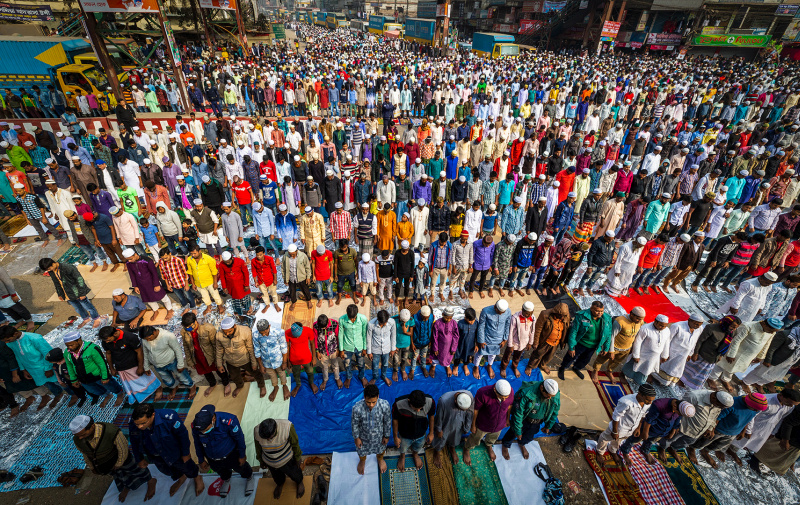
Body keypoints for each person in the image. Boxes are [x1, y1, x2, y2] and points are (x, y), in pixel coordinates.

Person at [70, 414, 156, 502]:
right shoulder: (78, 439)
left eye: (83, 434)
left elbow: (123, 448)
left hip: (122, 459)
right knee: (120, 475)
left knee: (136, 469)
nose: (80, 437)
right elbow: (85, 454)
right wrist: (92, 467)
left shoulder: (111, 431)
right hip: (108, 464)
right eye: (78, 436)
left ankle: (150, 480)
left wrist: (119, 463)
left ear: (92, 427)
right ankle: (128, 486)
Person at [129, 404, 205, 497]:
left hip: (174, 453)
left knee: (187, 467)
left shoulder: (169, 418)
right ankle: (182, 477)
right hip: (155, 456)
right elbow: (134, 441)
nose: (139, 426)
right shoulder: (133, 423)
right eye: (137, 424)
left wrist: (186, 453)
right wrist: (139, 458)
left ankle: (197, 477)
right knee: (168, 471)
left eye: (143, 423)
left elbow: (183, 435)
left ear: (152, 415)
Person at [690, 392, 768, 468]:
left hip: (733, 433)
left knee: (718, 445)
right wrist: (711, 429)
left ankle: (705, 451)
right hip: (719, 429)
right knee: (704, 441)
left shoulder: (754, 409)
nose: (756, 411)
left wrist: (743, 431)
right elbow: (718, 416)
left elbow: (748, 418)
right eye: (755, 409)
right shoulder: (733, 403)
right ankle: (691, 448)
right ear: (749, 404)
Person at [191, 405, 255, 498]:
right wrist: (201, 459)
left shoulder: (229, 421)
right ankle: (226, 479)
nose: (203, 432)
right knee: (221, 471)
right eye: (201, 431)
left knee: (241, 468)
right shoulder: (197, 426)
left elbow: (239, 438)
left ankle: (249, 477)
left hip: (231, 454)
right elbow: (197, 443)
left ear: (213, 419)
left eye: (206, 430)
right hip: (212, 457)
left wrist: (242, 455)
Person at [707, 318, 784, 393]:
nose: (772, 333)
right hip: (735, 352)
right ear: (764, 324)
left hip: (748, 356)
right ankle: (711, 378)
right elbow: (736, 340)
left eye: (774, 331)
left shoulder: (771, 332)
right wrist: (731, 354)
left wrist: (760, 356)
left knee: (733, 368)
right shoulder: (748, 326)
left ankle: (725, 380)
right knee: (722, 365)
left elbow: (767, 344)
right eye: (771, 330)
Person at [662, 390, 734, 465]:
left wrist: (711, 428)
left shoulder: (718, 403)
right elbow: (678, 409)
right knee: (670, 438)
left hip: (696, 432)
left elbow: (714, 416)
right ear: (713, 398)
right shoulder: (694, 396)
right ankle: (662, 448)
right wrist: (675, 426)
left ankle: (672, 449)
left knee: (687, 442)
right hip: (683, 426)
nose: (720, 408)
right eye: (719, 406)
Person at [594, 383, 656, 468]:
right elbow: (616, 416)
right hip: (618, 428)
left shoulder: (647, 403)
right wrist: (614, 431)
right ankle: (599, 452)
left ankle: (612, 450)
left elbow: (643, 415)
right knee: (605, 438)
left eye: (651, 400)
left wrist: (638, 428)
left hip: (629, 430)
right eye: (648, 400)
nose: (650, 402)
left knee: (618, 440)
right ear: (640, 394)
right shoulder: (626, 402)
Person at [619, 398, 696, 465]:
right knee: (634, 440)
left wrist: (672, 432)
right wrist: (645, 432)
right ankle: (625, 451)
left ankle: (645, 450)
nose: (678, 414)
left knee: (651, 441)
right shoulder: (659, 404)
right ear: (675, 406)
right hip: (651, 429)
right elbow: (649, 419)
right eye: (678, 413)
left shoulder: (680, 409)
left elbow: (677, 420)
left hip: (661, 432)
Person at [98, 325, 161, 404]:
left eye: (108, 339)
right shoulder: (105, 341)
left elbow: (139, 351)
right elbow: (108, 353)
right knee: (132, 385)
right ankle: (140, 396)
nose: (106, 342)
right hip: (120, 367)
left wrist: (141, 367)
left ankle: (159, 389)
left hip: (134, 365)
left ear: (115, 334)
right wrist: (112, 368)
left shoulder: (130, 337)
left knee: (148, 379)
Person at [501, 379, 561, 460]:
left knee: (529, 436)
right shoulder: (527, 393)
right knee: (513, 433)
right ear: (541, 388)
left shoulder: (555, 394)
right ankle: (505, 445)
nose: (549, 398)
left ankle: (522, 444)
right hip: (524, 419)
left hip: (537, 422)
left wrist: (548, 426)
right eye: (547, 395)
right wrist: (518, 430)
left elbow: (554, 411)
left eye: (552, 396)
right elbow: (518, 413)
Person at [63, 332, 124, 408]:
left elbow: (102, 363)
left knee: (111, 386)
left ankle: (120, 394)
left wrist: (105, 377)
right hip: (83, 379)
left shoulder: (92, 348)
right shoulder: (67, 353)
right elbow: (69, 366)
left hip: (98, 376)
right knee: (94, 390)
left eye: (71, 345)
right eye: (67, 346)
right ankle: (107, 395)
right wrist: (73, 379)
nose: (69, 347)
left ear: (79, 340)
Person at [38, 258, 102, 328]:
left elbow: (79, 279)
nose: (49, 270)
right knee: (78, 308)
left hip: (77, 291)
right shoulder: (51, 271)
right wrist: (60, 294)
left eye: (49, 268)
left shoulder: (67, 267)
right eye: (47, 270)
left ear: (53, 264)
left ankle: (96, 319)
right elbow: (56, 283)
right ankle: (86, 319)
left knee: (87, 306)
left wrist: (82, 293)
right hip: (68, 294)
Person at [558, 301, 613, 381]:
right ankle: (563, 368)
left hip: (593, 346)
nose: (600, 313)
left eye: (601, 311)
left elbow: (608, 333)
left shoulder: (607, 318)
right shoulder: (582, 316)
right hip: (580, 343)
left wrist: (606, 348)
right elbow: (573, 332)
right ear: (591, 308)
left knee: (585, 359)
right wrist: (571, 347)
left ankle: (576, 368)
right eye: (597, 311)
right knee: (571, 357)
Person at [181, 312, 231, 397]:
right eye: (186, 327)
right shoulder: (184, 332)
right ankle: (212, 384)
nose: (189, 329)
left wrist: (220, 360)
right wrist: (190, 361)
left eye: (190, 327)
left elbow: (216, 345)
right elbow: (186, 347)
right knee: (206, 372)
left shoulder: (208, 328)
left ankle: (226, 383)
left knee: (220, 369)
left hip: (211, 355)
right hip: (198, 357)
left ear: (195, 322)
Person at [589, 307, 645, 384]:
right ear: (632, 314)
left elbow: (636, 335)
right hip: (614, 347)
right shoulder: (620, 321)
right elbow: (611, 336)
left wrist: (632, 347)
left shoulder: (640, 322)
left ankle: (609, 371)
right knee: (601, 360)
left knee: (616, 362)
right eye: (638, 318)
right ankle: (595, 371)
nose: (640, 321)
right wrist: (611, 351)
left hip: (626, 349)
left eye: (641, 319)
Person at [463, 380, 514, 464]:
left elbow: (509, 406)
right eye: (502, 397)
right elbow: (476, 410)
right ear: (495, 390)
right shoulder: (483, 393)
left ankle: (489, 445)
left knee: (493, 438)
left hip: (499, 424)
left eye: (506, 397)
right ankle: (467, 449)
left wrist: (507, 419)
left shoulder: (510, 391)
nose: (504, 399)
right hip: (483, 424)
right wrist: (473, 425)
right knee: (475, 438)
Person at [140, 325, 195, 401]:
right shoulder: (145, 339)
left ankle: (192, 386)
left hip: (172, 362)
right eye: (146, 339)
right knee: (168, 381)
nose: (148, 341)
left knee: (183, 377)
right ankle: (174, 387)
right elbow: (145, 353)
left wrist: (180, 365)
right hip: (158, 366)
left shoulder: (168, 336)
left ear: (154, 332)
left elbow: (177, 350)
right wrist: (146, 367)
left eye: (149, 338)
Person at [254, 419, 305, 499]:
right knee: (276, 476)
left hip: (287, 459)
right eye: (265, 438)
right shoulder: (257, 431)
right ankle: (280, 484)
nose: (268, 440)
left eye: (269, 437)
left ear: (275, 430)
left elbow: (295, 444)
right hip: (270, 461)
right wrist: (261, 461)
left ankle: (299, 482)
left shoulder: (287, 427)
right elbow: (258, 448)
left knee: (295, 473)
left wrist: (298, 457)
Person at [216, 316, 266, 398]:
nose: (227, 334)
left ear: (234, 326)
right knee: (234, 376)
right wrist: (219, 364)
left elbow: (250, 348)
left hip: (245, 359)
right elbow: (219, 350)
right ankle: (240, 386)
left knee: (256, 373)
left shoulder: (245, 331)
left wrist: (254, 363)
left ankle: (262, 385)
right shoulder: (219, 335)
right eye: (225, 332)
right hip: (231, 361)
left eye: (229, 331)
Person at [351, 384, 392, 475]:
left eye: (374, 402)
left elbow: (387, 422)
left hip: (379, 437)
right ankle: (362, 461)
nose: (371, 405)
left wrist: (386, 436)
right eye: (368, 402)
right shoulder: (357, 408)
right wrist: (356, 438)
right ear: (364, 397)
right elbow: (354, 424)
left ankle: (380, 459)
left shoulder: (384, 405)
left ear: (378, 396)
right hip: (363, 437)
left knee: (381, 449)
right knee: (361, 451)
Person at [123, 249, 175, 320]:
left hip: (152, 282)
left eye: (130, 259)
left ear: (135, 254)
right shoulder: (128, 263)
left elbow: (154, 273)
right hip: (141, 284)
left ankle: (169, 309)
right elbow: (132, 275)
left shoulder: (147, 260)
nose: (129, 261)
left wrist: (156, 284)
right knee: (148, 299)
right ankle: (155, 311)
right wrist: (135, 286)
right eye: (128, 259)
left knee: (162, 296)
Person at [392, 389, 436, 472]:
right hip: (405, 434)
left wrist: (431, 433)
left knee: (418, 446)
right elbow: (395, 420)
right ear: (409, 401)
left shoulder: (430, 401)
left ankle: (415, 454)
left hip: (421, 433)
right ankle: (402, 456)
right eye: (415, 408)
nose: (418, 411)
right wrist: (395, 437)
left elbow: (431, 416)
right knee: (403, 447)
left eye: (420, 408)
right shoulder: (398, 404)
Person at [656, 314, 706, 386]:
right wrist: (665, 354)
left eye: (699, 325)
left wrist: (690, 353)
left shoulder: (699, 329)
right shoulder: (677, 326)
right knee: (666, 368)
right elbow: (667, 340)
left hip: (684, 355)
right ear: (689, 320)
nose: (697, 326)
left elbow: (695, 341)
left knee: (677, 370)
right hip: (672, 353)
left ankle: (669, 383)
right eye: (696, 324)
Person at [622, 315, 671, 386]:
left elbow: (667, 342)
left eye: (664, 326)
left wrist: (665, 355)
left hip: (653, 357)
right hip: (642, 354)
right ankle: (623, 375)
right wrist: (636, 355)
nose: (662, 328)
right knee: (632, 366)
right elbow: (638, 342)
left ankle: (638, 382)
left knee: (646, 370)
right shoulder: (645, 328)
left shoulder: (667, 330)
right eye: (661, 325)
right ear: (655, 321)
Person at [432, 390, 473, 468]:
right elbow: (439, 417)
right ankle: (437, 451)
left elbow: (470, 413)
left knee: (456, 436)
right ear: (455, 401)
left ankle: (452, 448)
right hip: (446, 422)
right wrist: (439, 429)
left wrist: (467, 427)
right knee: (441, 438)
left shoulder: (469, 396)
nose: (464, 411)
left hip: (459, 422)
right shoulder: (444, 401)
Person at [527, 302, 571, 375]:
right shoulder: (545, 314)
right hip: (545, 341)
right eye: (560, 315)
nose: (562, 317)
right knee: (537, 355)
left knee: (549, 356)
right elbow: (538, 329)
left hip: (556, 342)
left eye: (563, 316)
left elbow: (566, 328)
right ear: (555, 312)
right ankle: (530, 366)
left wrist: (564, 342)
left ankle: (543, 365)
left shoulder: (566, 316)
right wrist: (535, 342)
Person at [474, 299, 512, 380]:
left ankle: (489, 366)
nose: (501, 314)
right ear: (495, 307)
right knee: (480, 353)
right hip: (486, 338)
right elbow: (481, 326)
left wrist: (505, 339)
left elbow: (507, 325)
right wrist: (481, 340)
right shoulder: (485, 311)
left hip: (498, 339)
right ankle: (476, 367)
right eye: (499, 312)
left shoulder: (508, 311)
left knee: (493, 354)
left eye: (502, 313)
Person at [500, 301, 536, 379]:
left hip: (523, 343)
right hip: (513, 342)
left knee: (517, 357)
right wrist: (510, 345)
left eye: (530, 313)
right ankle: (503, 368)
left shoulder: (532, 318)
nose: (528, 315)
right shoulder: (515, 318)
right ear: (522, 310)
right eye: (526, 313)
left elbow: (532, 331)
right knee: (507, 356)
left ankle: (514, 367)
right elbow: (510, 331)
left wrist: (530, 342)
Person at [186, 244, 224, 314]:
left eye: (194, 253)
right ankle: (209, 307)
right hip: (199, 283)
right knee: (204, 296)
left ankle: (220, 307)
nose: (193, 255)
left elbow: (214, 272)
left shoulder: (209, 259)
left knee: (215, 295)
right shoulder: (189, 259)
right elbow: (190, 272)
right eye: (191, 253)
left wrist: (215, 283)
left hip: (210, 282)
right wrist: (193, 283)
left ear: (199, 251)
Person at [339, 303, 368, 388]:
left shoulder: (363, 319)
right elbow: (340, 334)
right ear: (346, 313)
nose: (352, 319)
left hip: (359, 346)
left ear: (357, 313)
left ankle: (362, 376)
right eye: (350, 318)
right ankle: (349, 377)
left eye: (354, 318)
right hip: (347, 347)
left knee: (361, 363)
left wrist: (365, 348)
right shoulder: (342, 319)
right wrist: (341, 350)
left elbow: (364, 334)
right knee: (347, 364)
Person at [285, 322, 318, 396]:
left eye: (298, 335)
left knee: (310, 372)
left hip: (306, 357)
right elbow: (287, 347)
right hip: (294, 358)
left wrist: (314, 358)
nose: (297, 337)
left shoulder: (308, 331)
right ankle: (298, 384)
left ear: (302, 329)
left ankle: (311, 383)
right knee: (296, 373)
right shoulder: (287, 333)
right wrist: (288, 361)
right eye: (295, 336)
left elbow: (312, 344)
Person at [313, 314, 342, 390]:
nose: (323, 329)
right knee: (324, 366)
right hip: (322, 351)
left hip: (333, 350)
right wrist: (317, 351)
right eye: (321, 328)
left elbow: (338, 336)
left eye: (324, 327)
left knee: (335, 365)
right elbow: (315, 338)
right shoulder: (315, 326)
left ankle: (337, 378)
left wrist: (338, 349)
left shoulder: (334, 324)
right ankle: (325, 379)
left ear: (327, 322)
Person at [367, 309, 395, 386]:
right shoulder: (371, 324)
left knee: (385, 364)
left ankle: (384, 376)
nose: (385, 324)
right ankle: (375, 377)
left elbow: (393, 335)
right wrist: (369, 352)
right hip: (375, 349)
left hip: (386, 348)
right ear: (378, 320)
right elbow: (368, 338)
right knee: (375, 365)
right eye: (382, 323)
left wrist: (393, 349)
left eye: (386, 322)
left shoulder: (391, 322)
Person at [282, 244, 313, 309]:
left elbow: (307, 267)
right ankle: (293, 302)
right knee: (292, 291)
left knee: (305, 290)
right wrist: (285, 278)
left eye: (293, 254)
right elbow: (283, 268)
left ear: (296, 251)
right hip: (291, 278)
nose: (292, 256)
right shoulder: (285, 256)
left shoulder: (303, 256)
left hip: (301, 277)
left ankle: (309, 300)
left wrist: (308, 277)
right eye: (290, 254)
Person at [251, 246, 281, 313]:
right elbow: (254, 272)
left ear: (264, 253)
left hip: (270, 280)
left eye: (260, 255)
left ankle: (275, 304)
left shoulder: (269, 259)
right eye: (257, 255)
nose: (259, 257)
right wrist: (255, 281)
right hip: (261, 281)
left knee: (273, 293)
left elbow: (274, 270)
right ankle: (267, 304)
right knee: (264, 294)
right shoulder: (253, 261)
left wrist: (275, 279)